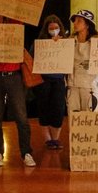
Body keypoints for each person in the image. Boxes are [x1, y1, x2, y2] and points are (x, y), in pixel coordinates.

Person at [0, 11, 36, 167]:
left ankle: (26, 152)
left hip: (14, 76)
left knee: (21, 116)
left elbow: (21, 15)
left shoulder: (15, 25)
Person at [32, 15, 68, 150]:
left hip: (59, 80)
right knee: (44, 109)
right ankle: (48, 140)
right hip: (43, 80)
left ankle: (55, 138)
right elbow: (31, 59)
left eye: (56, 28)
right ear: (46, 30)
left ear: (60, 28)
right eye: (51, 28)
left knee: (58, 109)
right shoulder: (40, 43)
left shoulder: (65, 42)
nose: (54, 30)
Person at [67, 10, 98, 113]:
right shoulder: (69, 42)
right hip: (73, 85)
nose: (75, 23)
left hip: (91, 86)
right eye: (74, 21)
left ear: (87, 25)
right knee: (73, 120)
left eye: (79, 21)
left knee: (90, 121)